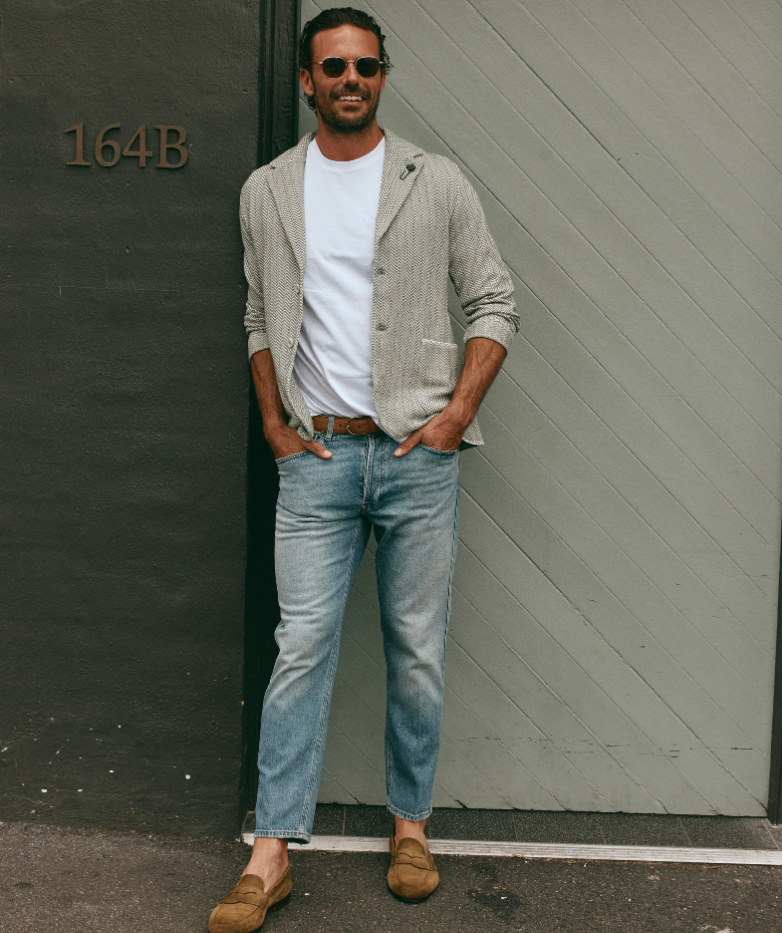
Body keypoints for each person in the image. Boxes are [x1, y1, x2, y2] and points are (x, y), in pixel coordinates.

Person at [209, 7, 518, 931]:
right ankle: (271, 851)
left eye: (366, 66)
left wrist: (457, 414)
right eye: (333, 67)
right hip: (316, 456)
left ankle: (411, 826)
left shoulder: (437, 181)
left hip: (416, 455)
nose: (351, 79)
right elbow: (261, 314)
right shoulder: (267, 189)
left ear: (384, 75)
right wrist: (272, 419)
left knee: (416, 651)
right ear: (307, 80)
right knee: (300, 646)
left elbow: (496, 300)